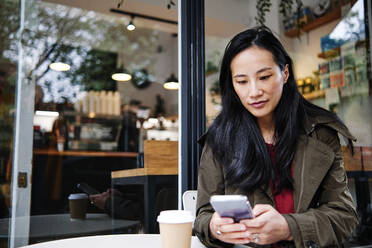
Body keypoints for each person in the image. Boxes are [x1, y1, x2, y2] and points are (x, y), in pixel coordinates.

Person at [194, 26, 357, 248]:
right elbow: (203, 216)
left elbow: (345, 216)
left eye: (264, 77)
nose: (254, 92)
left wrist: (290, 227)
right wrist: (214, 227)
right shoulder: (219, 140)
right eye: (242, 81)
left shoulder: (320, 134)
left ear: (285, 73)